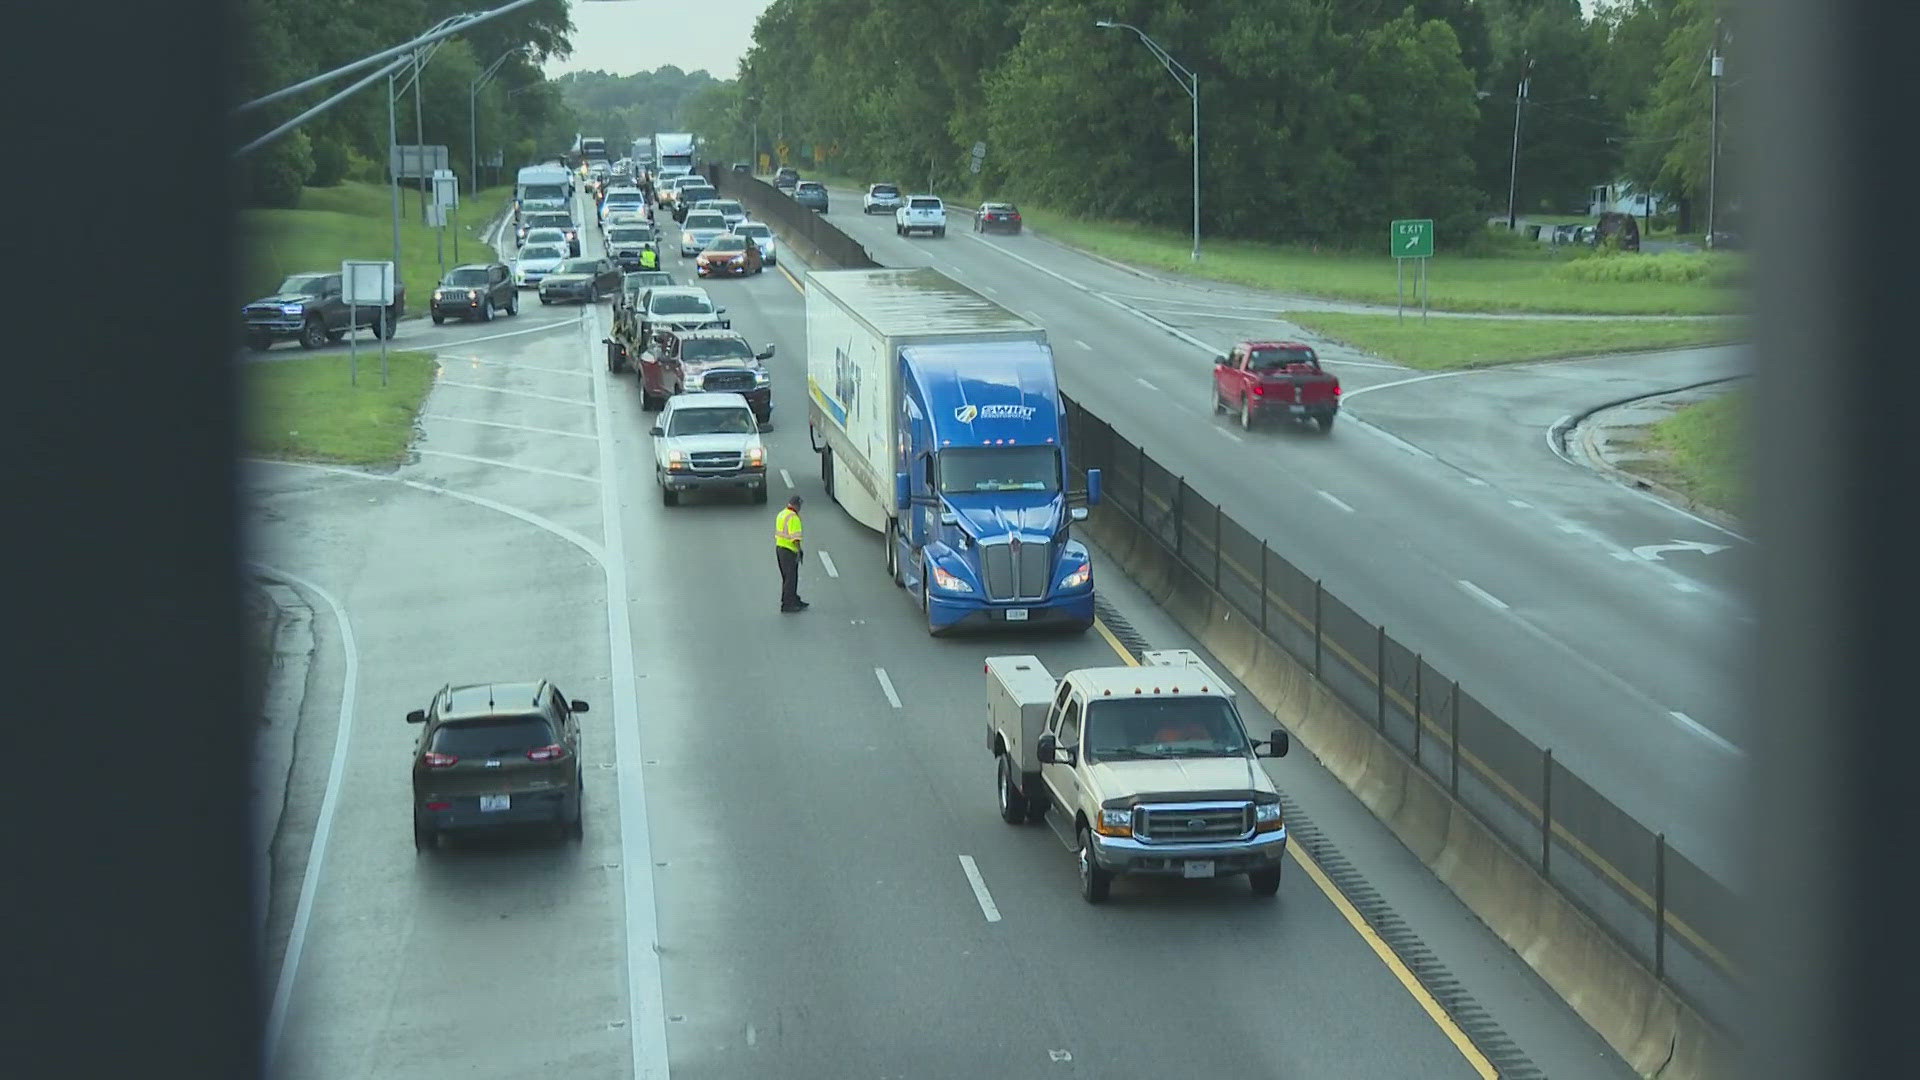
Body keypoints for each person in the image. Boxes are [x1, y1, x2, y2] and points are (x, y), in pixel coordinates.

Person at [774, 495, 808, 612]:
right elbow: (795, 538)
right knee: (791, 578)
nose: (800, 508)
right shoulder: (793, 517)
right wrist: (799, 551)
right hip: (789, 550)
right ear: (796, 505)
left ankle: (792, 599)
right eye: (799, 506)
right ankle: (788, 604)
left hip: (780, 548)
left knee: (787, 577)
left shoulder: (781, 514)